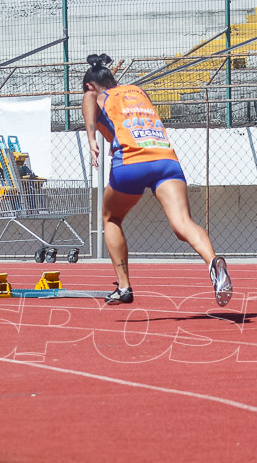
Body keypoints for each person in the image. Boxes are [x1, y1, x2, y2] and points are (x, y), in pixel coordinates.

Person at [81, 53, 232, 306]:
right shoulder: (137, 92)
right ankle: (213, 262)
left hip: (132, 162)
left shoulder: (95, 95)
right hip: (165, 159)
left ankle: (124, 286)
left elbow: (89, 99)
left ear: (89, 84)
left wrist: (91, 139)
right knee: (183, 222)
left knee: (111, 218)